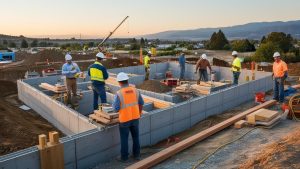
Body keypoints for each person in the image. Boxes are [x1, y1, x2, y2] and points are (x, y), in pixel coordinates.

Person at [112, 72, 144, 162]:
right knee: (136, 137)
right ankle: (137, 155)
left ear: (119, 82)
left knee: (124, 139)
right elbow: (141, 103)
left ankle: (124, 158)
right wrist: (139, 113)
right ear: (127, 81)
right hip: (135, 118)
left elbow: (115, 109)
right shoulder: (135, 90)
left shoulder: (119, 93)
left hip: (124, 120)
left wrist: (113, 104)